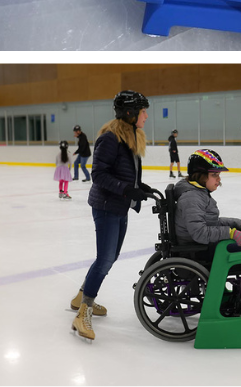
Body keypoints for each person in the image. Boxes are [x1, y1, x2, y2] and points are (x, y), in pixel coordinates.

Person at [70, 91, 154, 342]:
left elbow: (126, 173)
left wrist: (140, 186)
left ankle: (81, 296)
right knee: (105, 259)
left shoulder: (131, 136)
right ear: (130, 114)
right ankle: (83, 311)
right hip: (107, 206)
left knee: (111, 256)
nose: (146, 116)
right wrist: (126, 189)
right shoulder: (110, 138)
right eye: (143, 112)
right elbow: (99, 175)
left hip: (120, 205)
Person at [174, 149, 241, 315]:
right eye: (214, 174)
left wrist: (235, 223)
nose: (219, 179)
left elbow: (210, 222)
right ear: (200, 175)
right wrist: (230, 233)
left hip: (201, 246)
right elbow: (200, 233)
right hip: (196, 250)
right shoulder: (192, 198)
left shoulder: (198, 193)